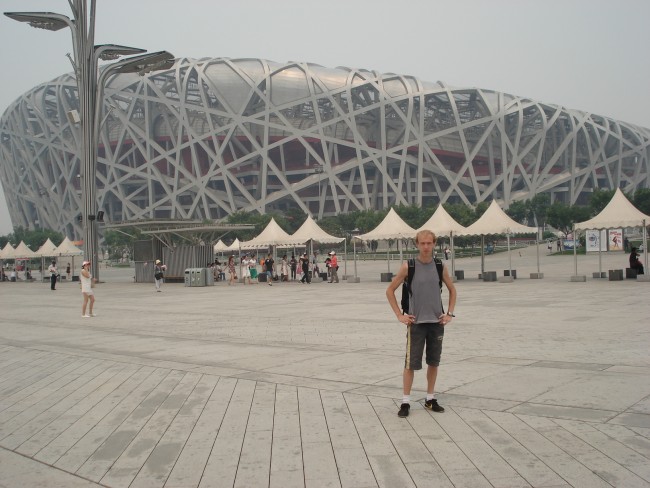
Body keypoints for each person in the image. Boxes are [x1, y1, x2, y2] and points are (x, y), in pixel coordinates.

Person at [386, 229, 457, 418]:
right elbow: (390, 290)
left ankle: (430, 398)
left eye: (429, 243)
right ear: (417, 244)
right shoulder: (408, 266)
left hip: (436, 323)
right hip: (416, 323)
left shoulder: (440, 266)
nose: (426, 246)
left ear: (434, 244)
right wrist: (399, 315)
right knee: (410, 364)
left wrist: (449, 314)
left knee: (434, 362)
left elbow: (452, 290)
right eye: (422, 243)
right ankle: (405, 401)